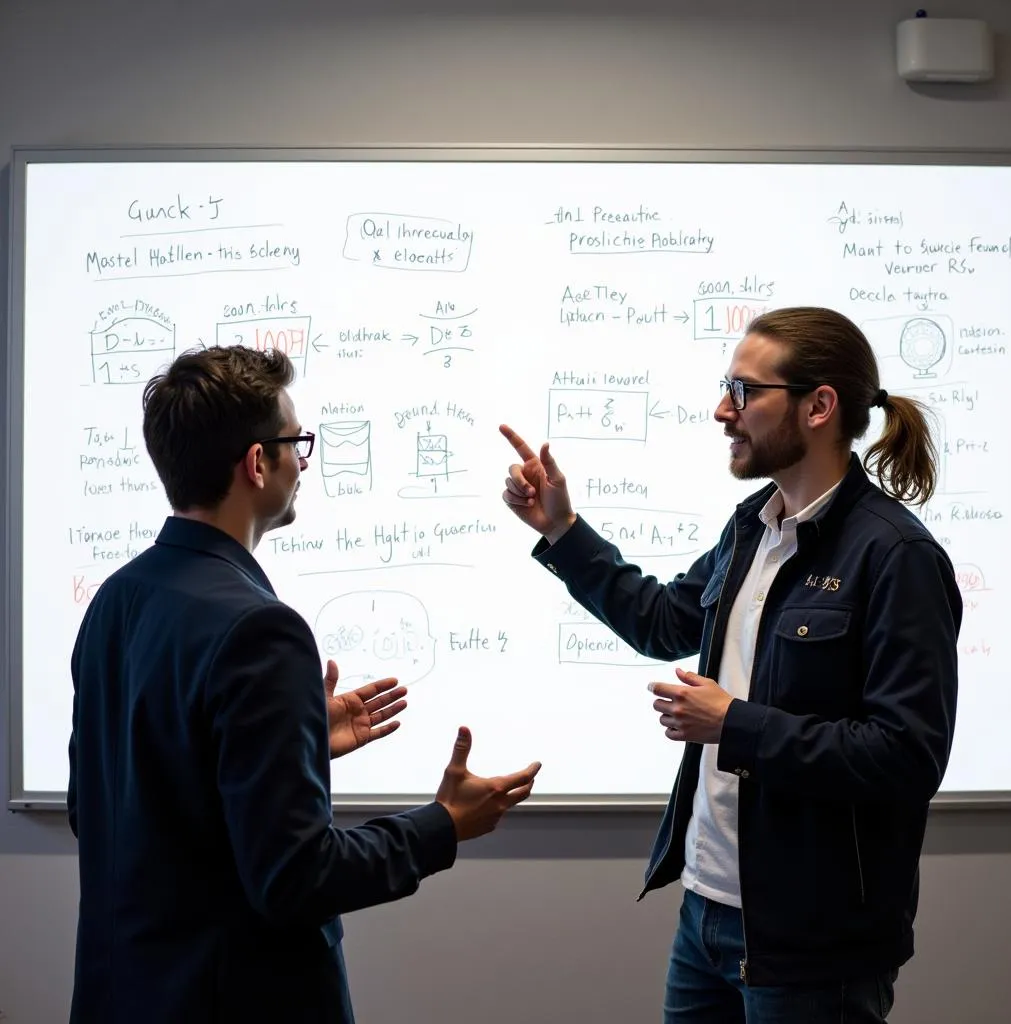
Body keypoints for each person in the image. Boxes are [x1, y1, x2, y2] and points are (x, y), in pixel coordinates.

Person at [499, 306, 960, 1023]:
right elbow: (662, 620)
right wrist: (562, 531)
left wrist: (735, 725)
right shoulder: (754, 525)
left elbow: (905, 757)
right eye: (727, 387)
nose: (722, 410)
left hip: (814, 943)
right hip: (707, 910)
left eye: (744, 391)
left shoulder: (896, 558)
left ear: (819, 406)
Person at [68, 344, 541, 1024]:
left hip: (126, 993)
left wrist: (291, 745)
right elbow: (294, 878)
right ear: (258, 464)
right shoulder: (261, 629)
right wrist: (443, 825)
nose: (304, 460)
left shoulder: (116, 600)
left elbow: (109, 808)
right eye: (298, 442)